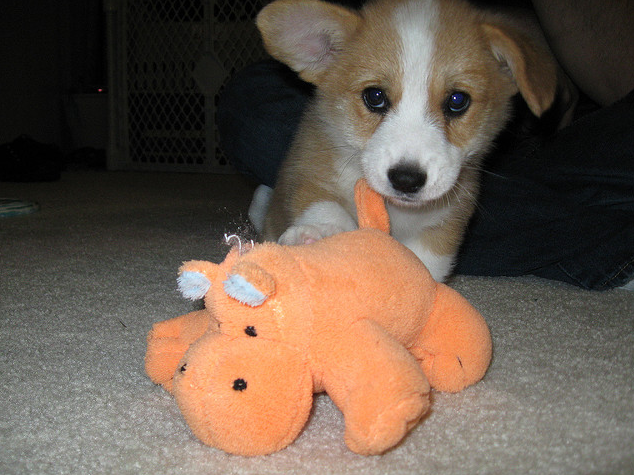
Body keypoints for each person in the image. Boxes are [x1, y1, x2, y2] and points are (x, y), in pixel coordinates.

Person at [217, 0, 634, 290]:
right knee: (250, 102)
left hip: (567, 136)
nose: (409, 160)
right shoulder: (346, 55)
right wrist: (327, 219)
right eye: (376, 98)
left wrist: (413, 291)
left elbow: (439, 237)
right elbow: (312, 186)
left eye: (456, 102)